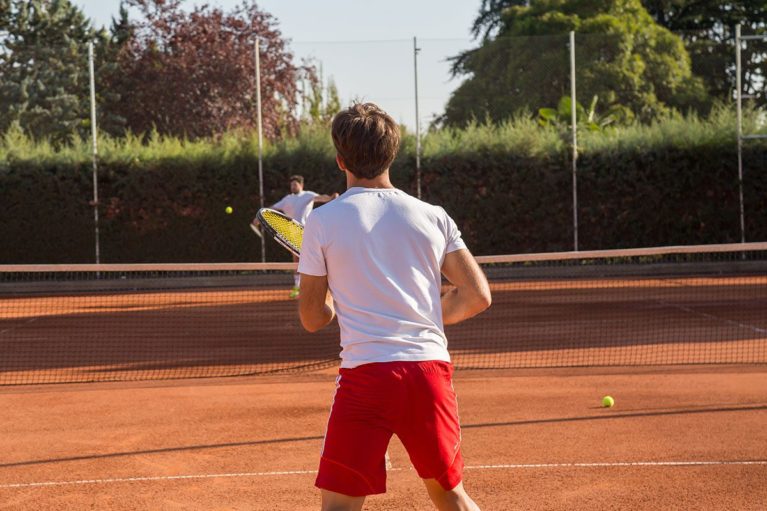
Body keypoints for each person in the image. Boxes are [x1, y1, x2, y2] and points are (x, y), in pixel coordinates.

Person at [297, 103, 491, 511]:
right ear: (392, 154)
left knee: (339, 508)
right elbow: (477, 295)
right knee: (449, 494)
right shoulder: (433, 216)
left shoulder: (323, 221)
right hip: (428, 373)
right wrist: (426, 318)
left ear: (339, 159)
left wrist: (333, 299)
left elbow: (314, 318)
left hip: (366, 378)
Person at [252, 175, 337, 298]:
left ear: (301, 185)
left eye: (295, 184)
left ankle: (323, 286)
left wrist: (331, 198)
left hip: (308, 232)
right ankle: (298, 286)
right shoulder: (287, 199)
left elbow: (322, 198)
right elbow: (272, 209)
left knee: (316, 258)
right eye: (291, 184)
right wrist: (258, 218)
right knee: (297, 260)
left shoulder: (308, 195)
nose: (293, 186)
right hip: (292, 233)